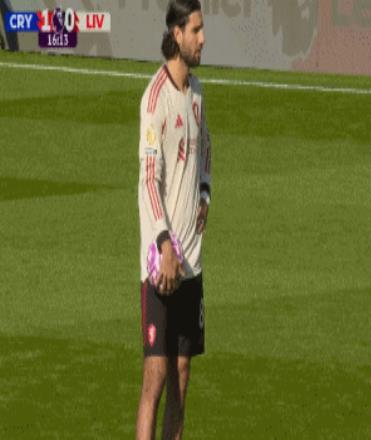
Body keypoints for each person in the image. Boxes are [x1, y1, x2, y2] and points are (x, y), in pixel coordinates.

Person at [136, 1, 211, 439]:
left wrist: (205, 193)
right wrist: (164, 242)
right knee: (156, 376)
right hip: (160, 262)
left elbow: (207, 150)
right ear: (176, 34)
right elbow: (149, 179)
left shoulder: (197, 93)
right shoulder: (155, 99)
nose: (203, 39)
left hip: (191, 263)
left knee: (181, 373)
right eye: (196, 30)